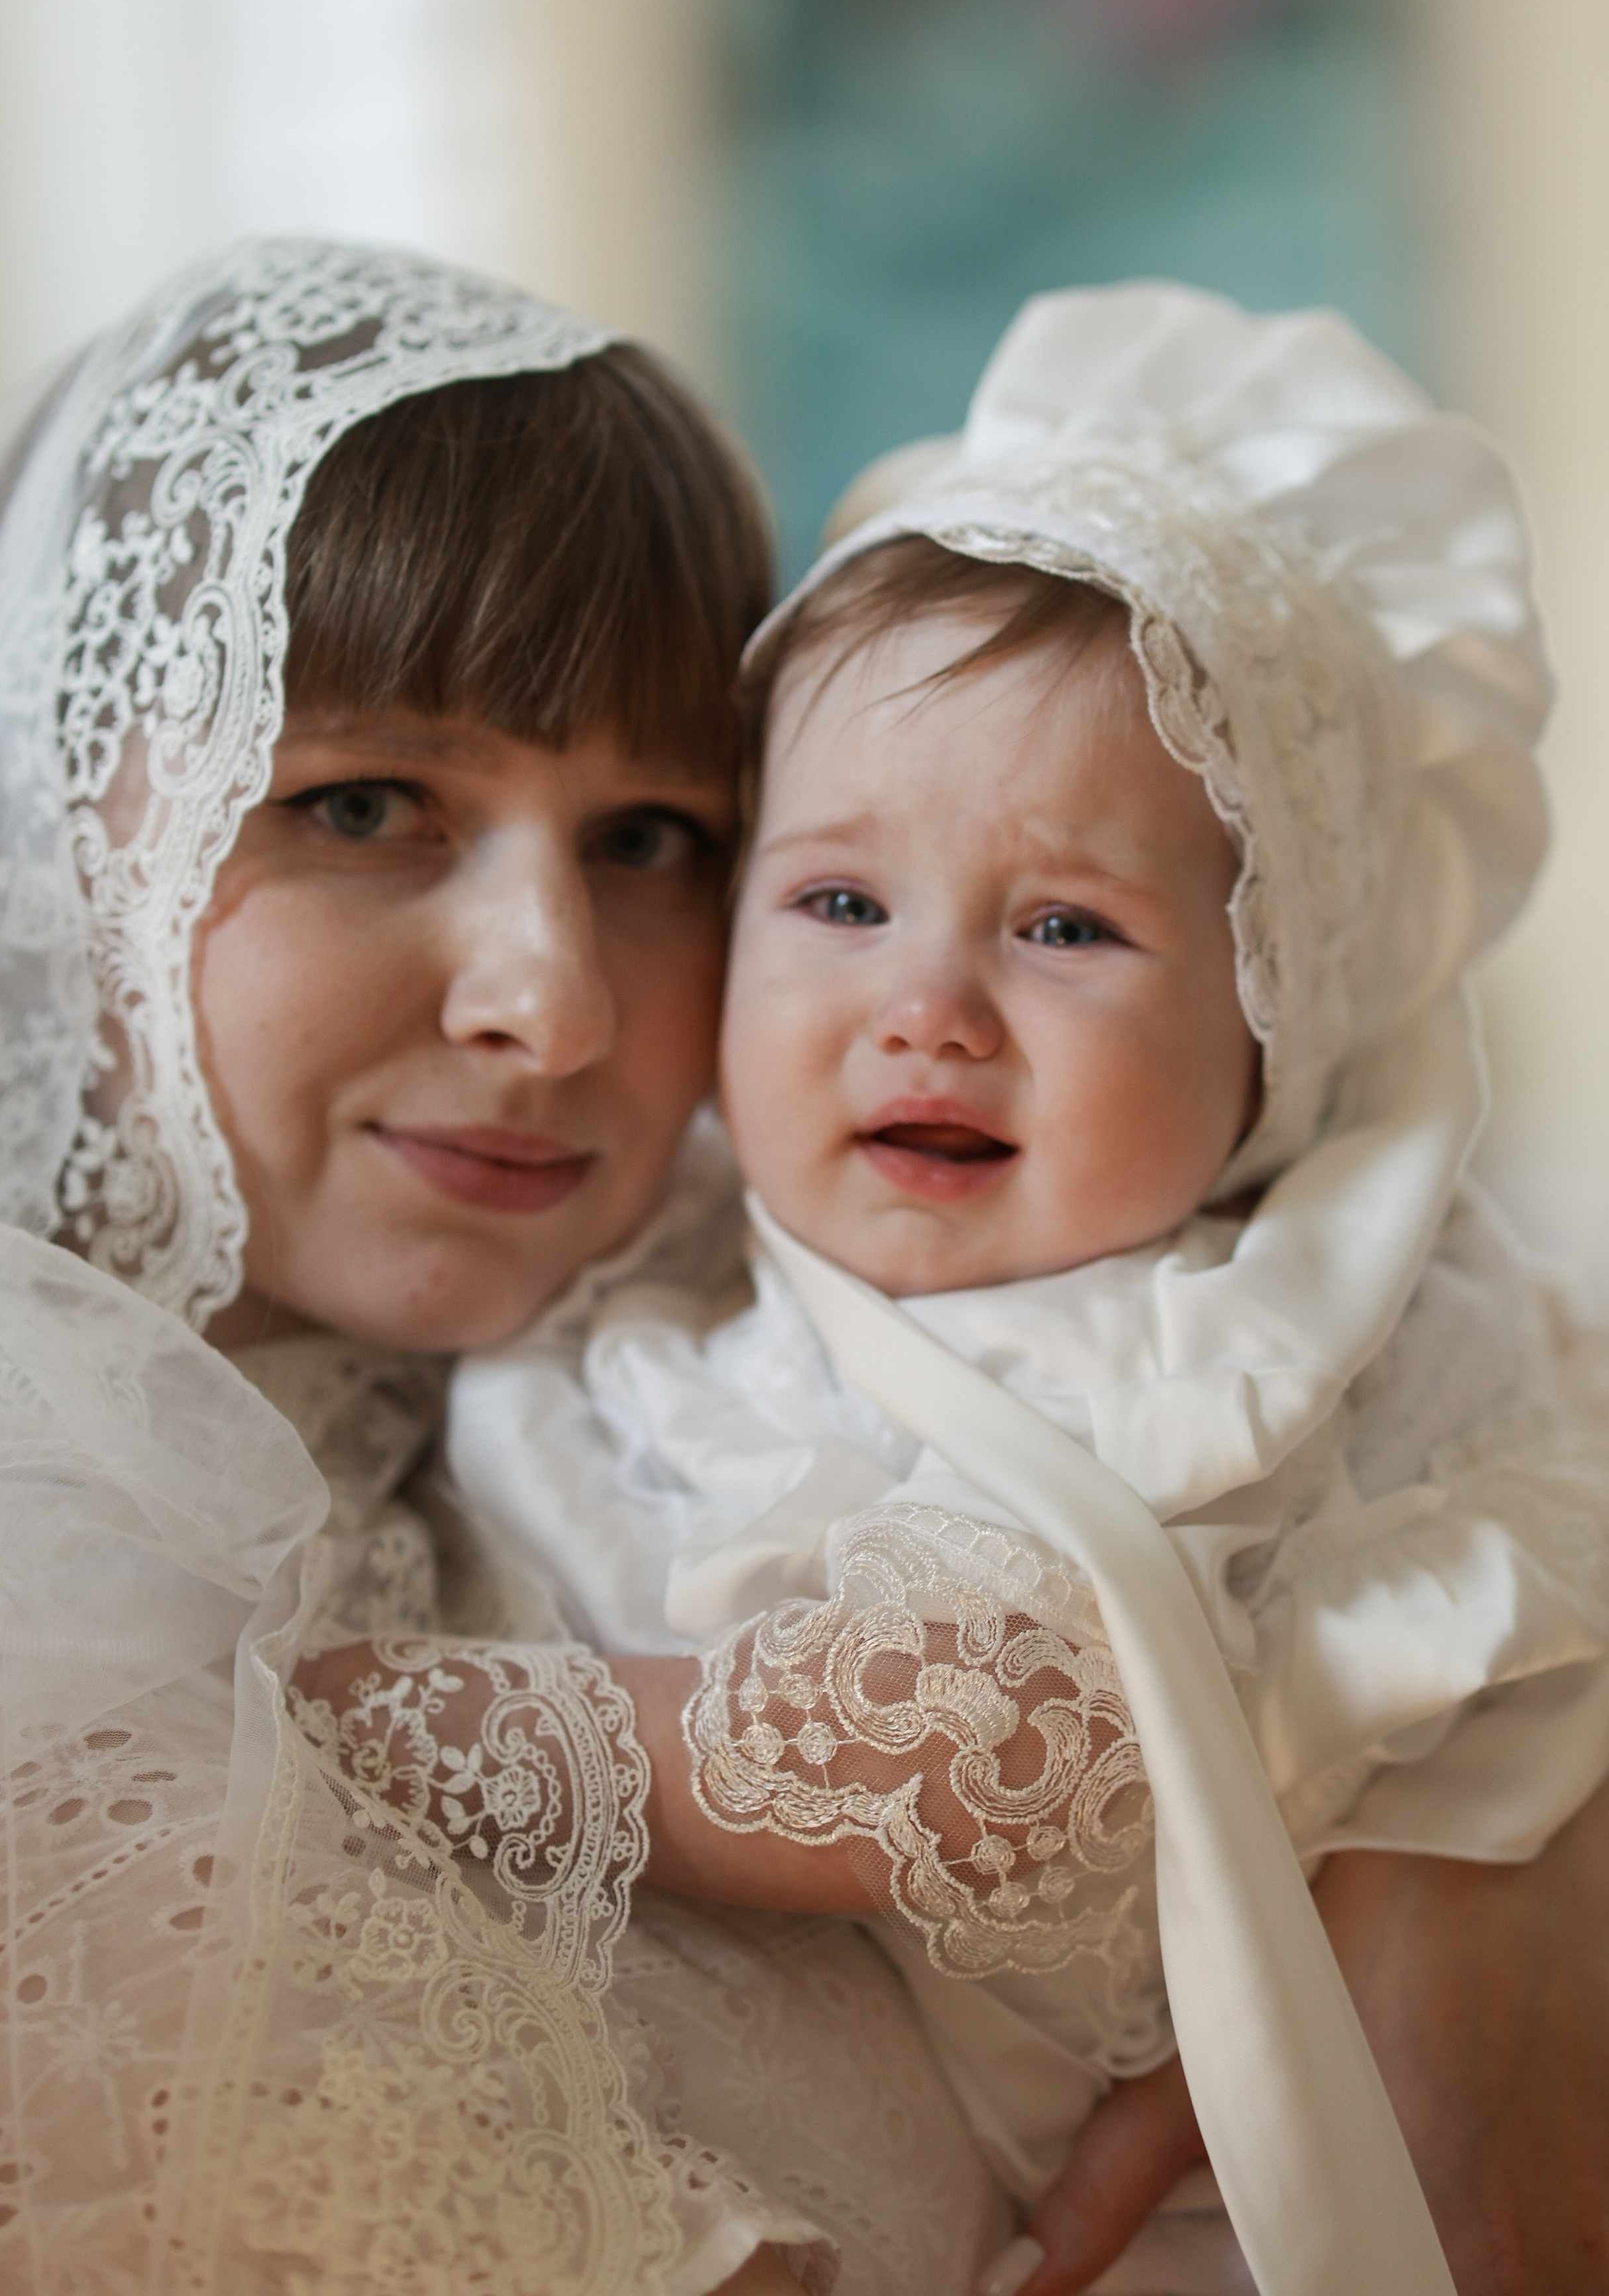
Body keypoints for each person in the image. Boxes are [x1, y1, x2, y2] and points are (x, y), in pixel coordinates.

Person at [444, 283, 1609, 2293]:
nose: (927, 1008)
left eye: (1066, 923)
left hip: (1204, 2201)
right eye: (836, 900)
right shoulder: (670, 1253)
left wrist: (436, 1728)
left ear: (1272, 1031)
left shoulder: (1219, 1340)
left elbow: (941, 1746)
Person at [0, 237, 1009, 2295]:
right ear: (55, 839)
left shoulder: (749, 1353)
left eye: (655, 838)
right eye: (362, 801)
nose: (559, 1003)